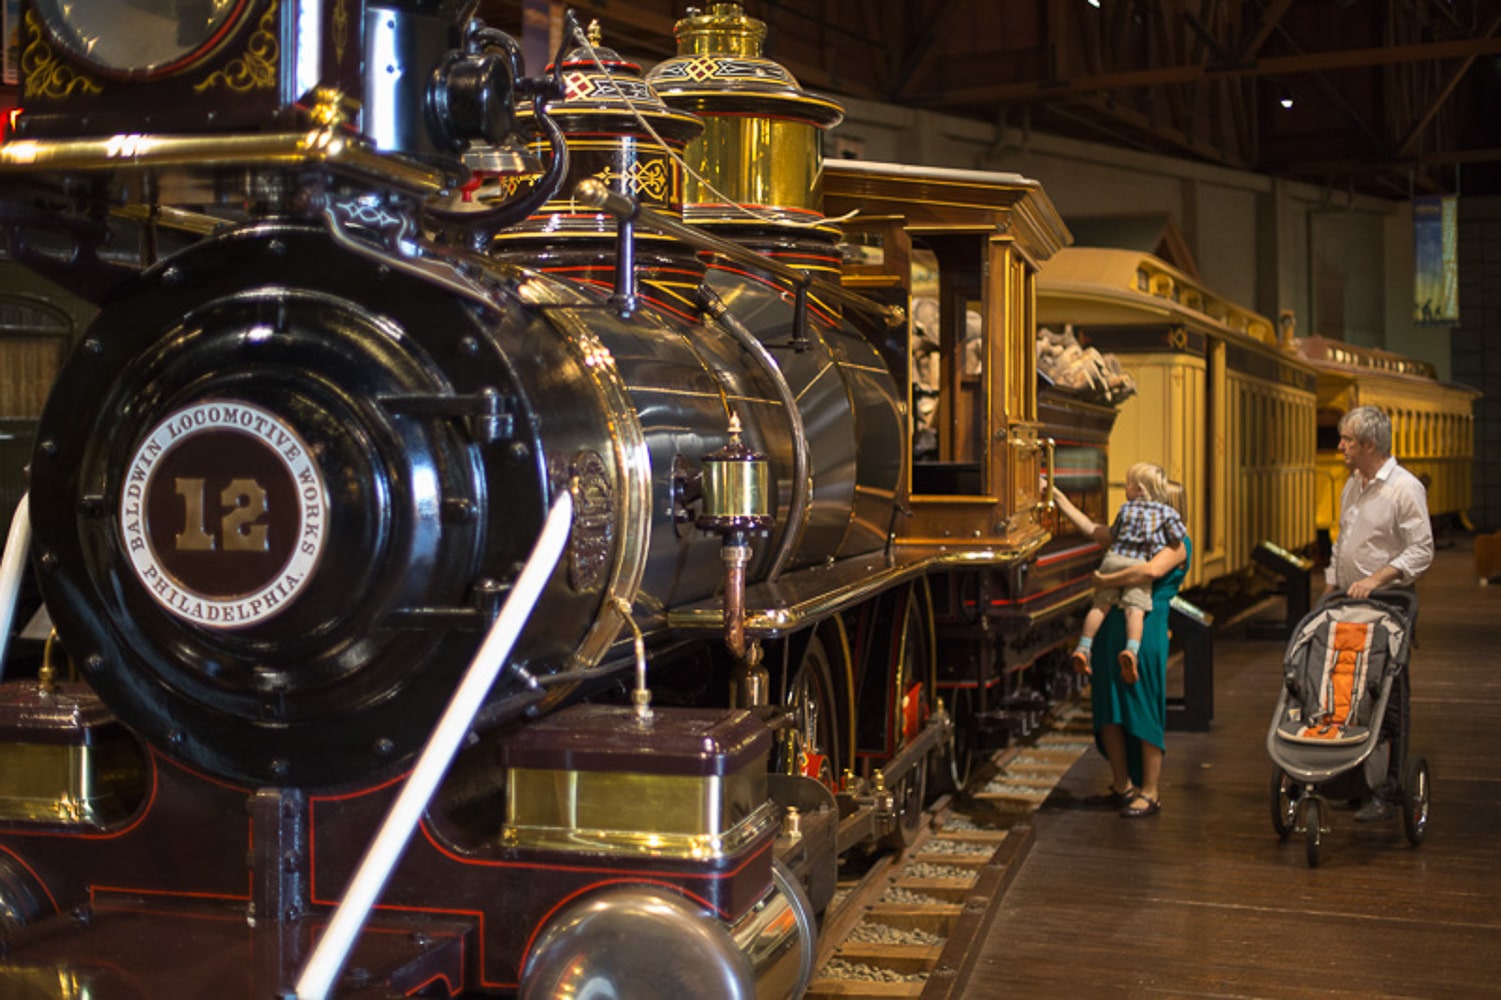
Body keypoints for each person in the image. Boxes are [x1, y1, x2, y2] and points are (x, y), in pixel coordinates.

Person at [1053, 477, 1190, 818]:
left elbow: (1148, 572)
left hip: (1146, 630)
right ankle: (1121, 785)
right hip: (1114, 629)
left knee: (1142, 707)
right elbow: (1092, 529)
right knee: (1109, 706)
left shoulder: (1178, 542)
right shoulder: (1135, 536)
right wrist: (1058, 497)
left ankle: (1151, 791)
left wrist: (1104, 581)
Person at [1325, 405, 1433, 821]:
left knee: (1387, 694)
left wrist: (1376, 579)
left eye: (1347, 440)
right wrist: (1332, 583)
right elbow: (1343, 537)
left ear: (1370, 444)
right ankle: (1352, 777)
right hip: (1348, 603)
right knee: (1344, 686)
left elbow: (1421, 550)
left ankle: (1389, 786)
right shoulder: (1353, 484)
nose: (1341, 446)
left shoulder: (1404, 489)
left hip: (1389, 603)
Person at [1058, 463, 1186, 685]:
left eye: (1128, 484)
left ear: (1138, 489)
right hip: (1136, 564)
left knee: (1099, 607)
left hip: (1113, 559)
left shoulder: (1126, 509)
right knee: (1134, 611)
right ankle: (1131, 652)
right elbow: (1175, 539)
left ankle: (1083, 647)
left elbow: (1108, 532)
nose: (1124, 488)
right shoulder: (1167, 515)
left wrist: (1056, 495)